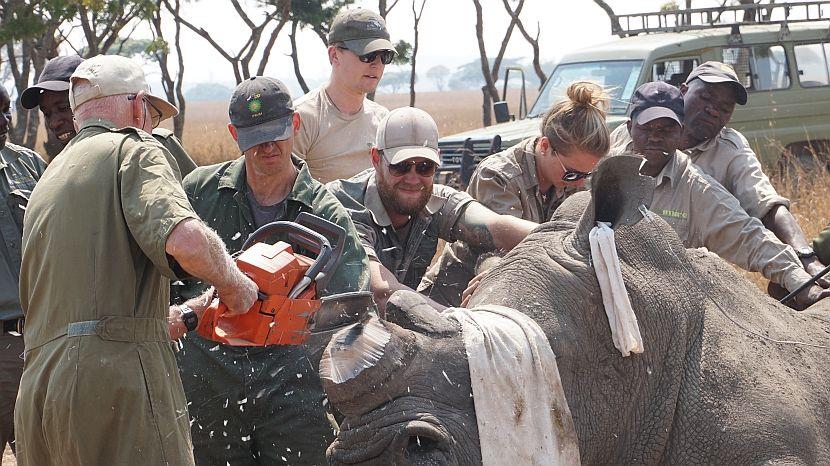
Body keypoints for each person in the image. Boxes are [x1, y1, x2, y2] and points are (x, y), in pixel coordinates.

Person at [14, 54, 259, 466]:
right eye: (149, 112)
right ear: (135, 105)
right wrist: (238, 287)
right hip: (113, 382)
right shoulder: (134, 147)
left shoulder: (48, 178)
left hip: (38, 391)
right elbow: (186, 241)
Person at [172, 76, 370, 465]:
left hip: (294, 386)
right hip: (208, 379)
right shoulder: (199, 191)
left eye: (276, 133)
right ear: (234, 134)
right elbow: (159, 270)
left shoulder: (324, 213)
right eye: (253, 137)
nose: (267, 147)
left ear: (295, 125)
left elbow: (352, 306)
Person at [614, 81, 828, 310]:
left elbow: (749, 237)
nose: (655, 137)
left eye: (666, 130)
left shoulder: (696, 187)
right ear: (629, 128)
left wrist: (802, 282)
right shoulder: (603, 165)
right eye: (647, 128)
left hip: (662, 305)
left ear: (681, 132)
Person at [328, 107, 538, 311]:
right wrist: (460, 324)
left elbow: (498, 227)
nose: (412, 178)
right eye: (400, 166)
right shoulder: (345, 205)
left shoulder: (434, 199)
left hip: (388, 321)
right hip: (328, 329)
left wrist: (561, 240)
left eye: (424, 167)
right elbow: (381, 291)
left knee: (485, 249)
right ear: (376, 159)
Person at [420, 81, 610, 306]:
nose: (579, 183)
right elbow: (498, 251)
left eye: (587, 175)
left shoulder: (572, 176)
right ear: (545, 146)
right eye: (572, 174)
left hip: (526, 290)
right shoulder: (497, 176)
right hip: (454, 297)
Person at [20, 55, 198, 176]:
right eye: (47, 113)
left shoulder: (157, 143)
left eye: (64, 107)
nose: (54, 123)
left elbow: (198, 200)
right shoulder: (60, 171)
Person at [293, 8, 394, 183]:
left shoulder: (384, 120)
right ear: (334, 55)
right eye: (367, 55)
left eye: (384, 56)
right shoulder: (302, 119)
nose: (377, 64)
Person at [0, 86, 46, 461]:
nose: (3, 123)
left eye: (5, 112)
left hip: (36, 336)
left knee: (41, 452)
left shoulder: (28, 164)